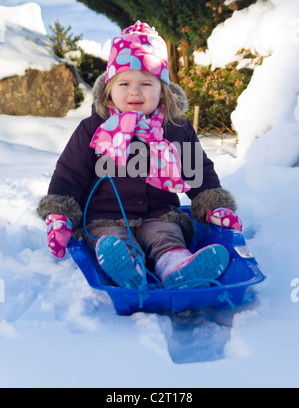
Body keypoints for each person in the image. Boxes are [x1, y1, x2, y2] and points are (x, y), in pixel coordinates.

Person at [37, 21, 242, 290]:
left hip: (158, 214)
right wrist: (60, 215)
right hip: (103, 216)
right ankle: (127, 269)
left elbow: (198, 173)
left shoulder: (176, 129)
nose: (135, 91)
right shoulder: (93, 128)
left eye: (146, 83)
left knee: (167, 236)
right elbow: (70, 173)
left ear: (163, 90)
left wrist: (213, 204)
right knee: (112, 241)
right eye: (124, 83)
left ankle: (177, 267)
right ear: (109, 89)